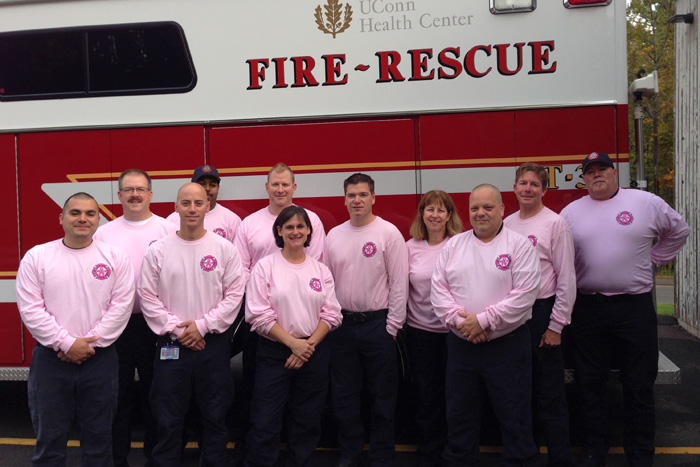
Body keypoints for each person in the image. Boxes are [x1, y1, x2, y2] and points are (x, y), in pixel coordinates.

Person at [560, 152, 689, 467]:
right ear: (584, 178)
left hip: (634, 308)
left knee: (638, 384)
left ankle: (641, 453)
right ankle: (595, 449)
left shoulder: (645, 203)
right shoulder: (571, 212)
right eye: (590, 172)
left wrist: (655, 258)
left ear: (614, 173)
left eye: (602, 169)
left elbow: (680, 230)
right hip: (588, 307)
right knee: (591, 383)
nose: (597, 175)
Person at [15, 192, 135, 465]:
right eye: (75, 212)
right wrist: (67, 343)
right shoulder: (37, 256)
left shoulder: (115, 257)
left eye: (90, 213)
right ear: (61, 218)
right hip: (51, 361)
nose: (83, 218)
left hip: (100, 360)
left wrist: (87, 345)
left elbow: (121, 307)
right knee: (50, 440)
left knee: (99, 439)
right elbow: (31, 309)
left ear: (98, 219)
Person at [431, 184, 542, 467]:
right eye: (475, 208)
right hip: (462, 345)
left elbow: (525, 295)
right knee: (460, 414)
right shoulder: (454, 245)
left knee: (514, 415)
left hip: (507, 346)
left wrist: (482, 321)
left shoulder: (519, 245)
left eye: (488, 207)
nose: (481, 213)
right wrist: (461, 323)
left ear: (502, 210)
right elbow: (439, 291)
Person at [139, 182, 245, 467]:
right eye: (185, 203)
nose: (192, 209)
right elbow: (148, 296)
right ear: (176, 207)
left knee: (215, 414)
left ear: (208, 207)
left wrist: (203, 326)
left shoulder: (224, 250)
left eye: (198, 203)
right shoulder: (158, 250)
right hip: (171, 345)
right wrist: (178, 329)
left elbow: (234, 295)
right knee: (168, 416)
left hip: (212, 345)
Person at [231, 162, 326, 463]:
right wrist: (267, 298)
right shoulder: (249, 224)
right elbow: (239, 269)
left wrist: (302, 343)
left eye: (286, 184)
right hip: (264, 331)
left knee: (305, 411)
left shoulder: (314, 223)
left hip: (308, 336)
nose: (280, 189)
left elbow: (319, 280)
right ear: (267, 187)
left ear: (294, 188)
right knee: (260, 403)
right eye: (275, 184)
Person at [244, 205, 342, 467]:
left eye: (301, 226)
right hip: (275, 352)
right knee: (265, 420)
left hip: (313, 350)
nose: (295, 231)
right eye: (289, 227)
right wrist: (293, 344)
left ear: (309, 231)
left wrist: (306, 347)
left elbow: (332, 314)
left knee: (307, 420)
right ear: (279, 231)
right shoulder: (265, 267)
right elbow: (258, 314)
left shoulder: (320, 270)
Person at [323, 172, 408, 467]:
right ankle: (350, 452)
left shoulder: (388, 233)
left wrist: (393, 328)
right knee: (344, 396)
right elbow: (325, 283)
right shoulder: (334, 236)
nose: (356, 200)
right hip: (342, 327)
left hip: (378, 326)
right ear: (344, 200)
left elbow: (399, 283)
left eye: (362, 194)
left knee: (383, 396)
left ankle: (382, 455)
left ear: (373, 197)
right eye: (351, 195)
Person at [94, 168, 177, 467]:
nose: (135, 194)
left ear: (151, 194)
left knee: (158, 394)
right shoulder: (104, 233)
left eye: (140, 189)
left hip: (159, 326)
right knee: (118, 396)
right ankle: (118, 458)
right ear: (119, 196)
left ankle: (156, 457)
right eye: (128, 189)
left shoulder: (167, 229)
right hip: (118, 326)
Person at [504, 163, 576, 467]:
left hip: (543, 315)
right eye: (523, 183)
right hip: (513, 318)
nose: (528, 189)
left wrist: (556, 326)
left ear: (545, 190)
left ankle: (561, 460)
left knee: (550, 397)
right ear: (515, 187)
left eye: (535, 184)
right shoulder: (506, 223)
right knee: (519, 395)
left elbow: (567, 279)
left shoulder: (555, 223)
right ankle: (525, 457)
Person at [405, 190, 463, 467]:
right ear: (422, 214)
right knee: (427, 396)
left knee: (456, 395)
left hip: (455, 334)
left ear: (450, 215)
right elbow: (399, 289)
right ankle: (429, 452)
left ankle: (455, 451)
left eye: (441, 210)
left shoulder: (461, 245)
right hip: (420, 333)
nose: (435, 215)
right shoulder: (409, 247)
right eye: (430, 210)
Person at [167, 164, 241, 242]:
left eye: (212, 185)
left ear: (218, 188)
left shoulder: (232, 220)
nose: (207, 188)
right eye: (202, 184)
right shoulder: (172, 220)